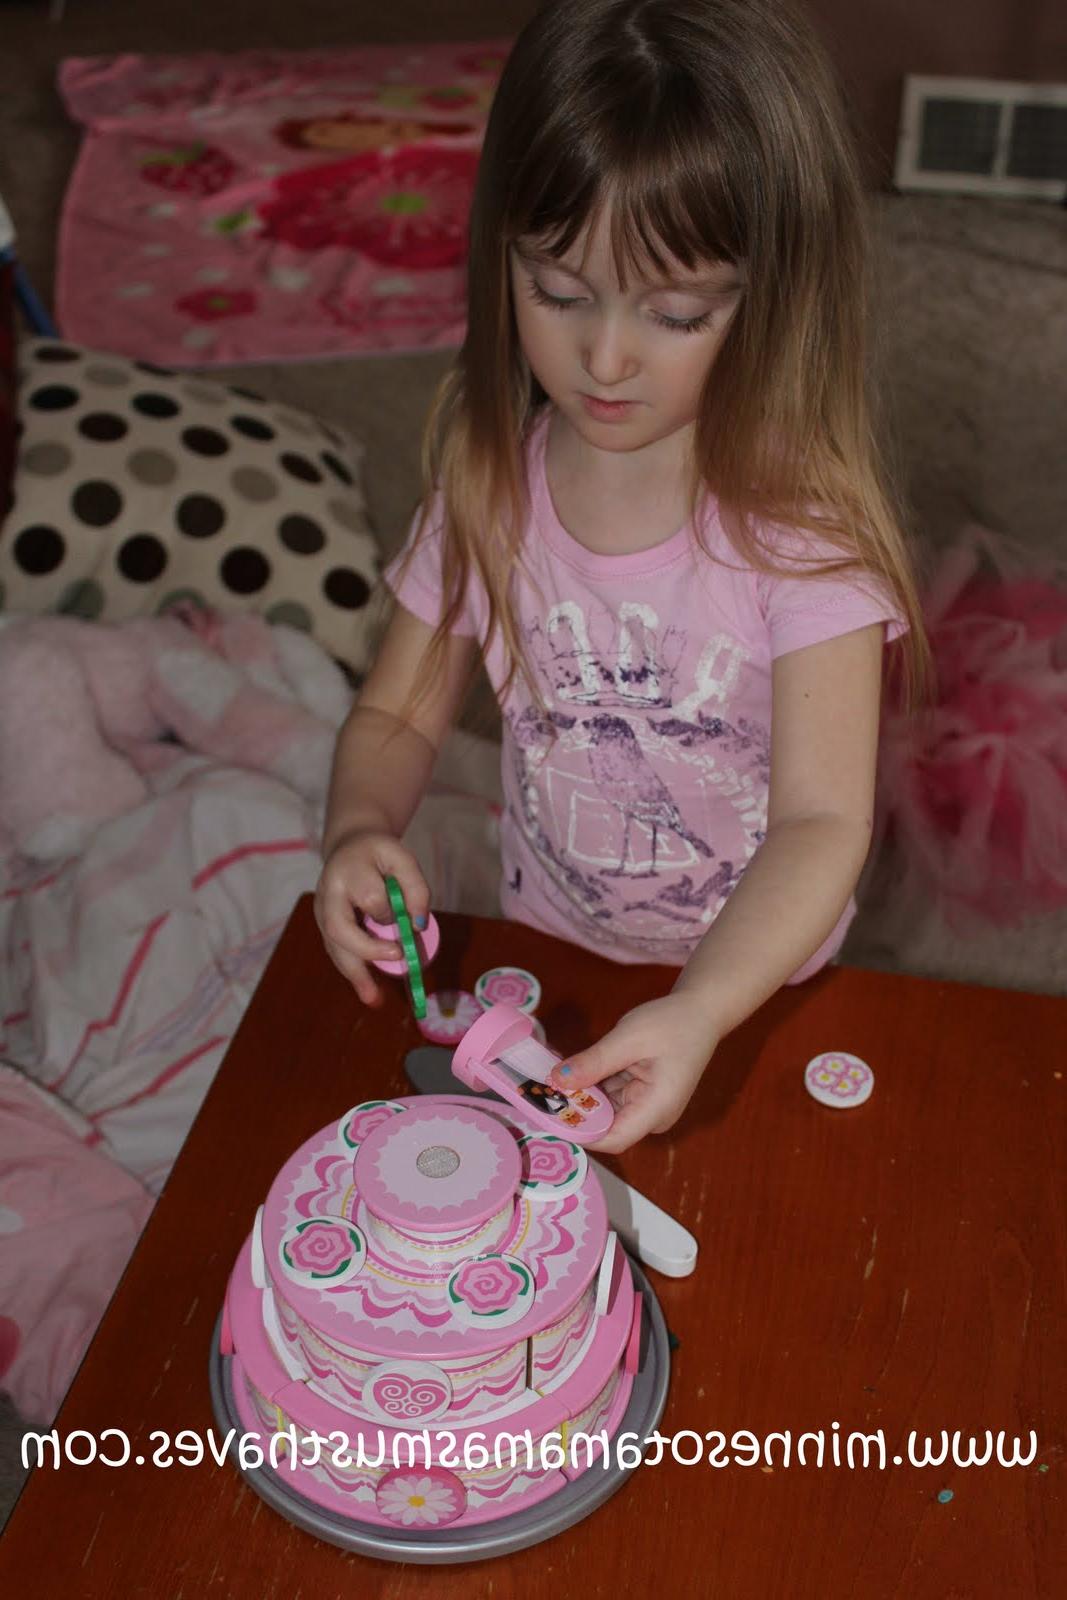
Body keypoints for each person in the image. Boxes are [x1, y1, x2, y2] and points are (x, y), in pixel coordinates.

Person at [315, 0, 929, 1153]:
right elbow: (398, 708)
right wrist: (355, 826)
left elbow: (819, 819)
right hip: (547, 948)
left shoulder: (804, 534)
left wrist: (702, 1005)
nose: (602, 358)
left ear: (774, 296)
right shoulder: (489, 481)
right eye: (556, 291)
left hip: (754, 983)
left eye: (675, 312)